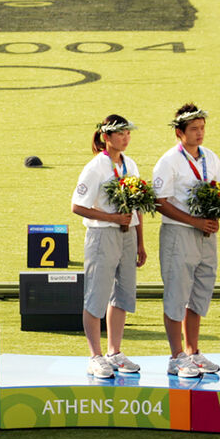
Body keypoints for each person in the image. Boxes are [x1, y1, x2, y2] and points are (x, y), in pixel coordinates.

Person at [71, 115, 147, 378]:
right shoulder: (95, 167)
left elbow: (137, 206)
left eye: (128, 133)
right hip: (102, 236)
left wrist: (140, 242)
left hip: (127, 236)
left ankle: (115, 352)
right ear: (106, 137)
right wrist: (112, 218)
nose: (125, 138)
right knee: (97, 294)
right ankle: (95, 355)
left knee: (123, 293)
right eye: (120, 134)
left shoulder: (131, 164)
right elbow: (77, 206)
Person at [151, 104, 220, 378]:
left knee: (200, 292)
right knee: (177, 295)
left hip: (205, 234)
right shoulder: (168, 161)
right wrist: (194, 221)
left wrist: (214, 217)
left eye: (202, 128)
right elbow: (159, 202)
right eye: (194, 129)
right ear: (179, 132)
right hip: (178, 234)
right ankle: (175, 356)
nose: (199, 133)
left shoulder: (211, 158)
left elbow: (219, 192)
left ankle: (193, 351)